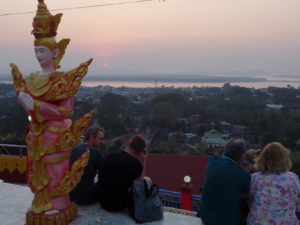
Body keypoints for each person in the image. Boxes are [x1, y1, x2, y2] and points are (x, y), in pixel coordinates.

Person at [10, 0, 93, 222]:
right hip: (37, 133)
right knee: (38, 170)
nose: (38, 54)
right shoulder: (33, 78)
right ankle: (40, 203)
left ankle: (59, 204)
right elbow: (27, 103)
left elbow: (66, 112)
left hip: (56, 134)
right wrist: (24, 102)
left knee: (55, 170)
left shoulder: (62, 80)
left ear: (55, 52)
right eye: (36, 50)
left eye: (43, 50)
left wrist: (35, 106)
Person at [199, 139, 251, 225]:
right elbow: (249, 191)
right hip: (226, 221)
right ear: (242, 157)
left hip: (205, 217)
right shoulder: (243, 175)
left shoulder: (213, 160)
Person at [247, 142, 300, 225]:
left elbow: (250, 202)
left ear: (263, 158)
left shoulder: (255, 178)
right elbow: (298, 206)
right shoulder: (293, 178)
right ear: (285, 158)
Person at [99, 135, 150, 212]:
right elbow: (140, 186)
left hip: (102, 202)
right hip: (119, 206)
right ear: (138, 152)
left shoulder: (109, 156)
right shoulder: (135, 164)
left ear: (128, 145)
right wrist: (144, 160)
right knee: (148, 180)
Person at [70, 126, 105, 205]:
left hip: (71, 196)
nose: (102, 142)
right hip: (85, 198)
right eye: (100, 138)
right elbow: (104, 176)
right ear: (92, 137)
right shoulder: (96, 153)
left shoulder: (74, 150)